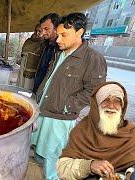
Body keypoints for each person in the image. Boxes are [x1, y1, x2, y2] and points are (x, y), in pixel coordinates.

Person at [30, 13, 107, 179]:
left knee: (54, 160)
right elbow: (49, 79)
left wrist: (67, 106)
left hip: (60, 118)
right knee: (39, 150)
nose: (58, 40)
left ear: (79, 32)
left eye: (64, 35)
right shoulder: (60, 52)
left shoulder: (93, 59)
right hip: (43, 109)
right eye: (58, 35)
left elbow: (95, 91)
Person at [57, 82, 135, 180]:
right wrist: (89, 166)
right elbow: (62, 168)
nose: (111, 106)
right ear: (96, 105)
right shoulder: (82, 131)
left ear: (123, 106)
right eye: (105, 100)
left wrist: (129, 173)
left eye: (117, 101)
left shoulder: (132, 133)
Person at [32, 13, 60, 93]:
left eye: (46, 29)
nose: (43, 32)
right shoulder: (45, 45)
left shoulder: (61, 49)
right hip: (38, 86)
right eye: (42, 29)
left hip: (49, 92)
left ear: (56, 28)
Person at [18, 23, 43, 89]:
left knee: (28, 87)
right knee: (21, 84)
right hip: (23, 65)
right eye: (36, 30)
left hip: (33, 70)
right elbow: (23, 51)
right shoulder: (28, 41)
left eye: (40, 31)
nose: (37, 33)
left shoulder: (44, 43)